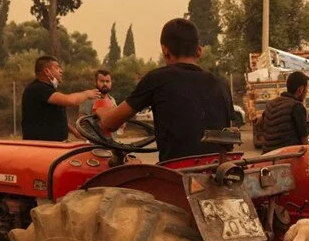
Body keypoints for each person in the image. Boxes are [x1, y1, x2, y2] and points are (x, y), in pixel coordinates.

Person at [99, 18, 233, 162]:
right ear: (199, 51)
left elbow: (109, 124)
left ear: (165, 50)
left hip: (176, 176)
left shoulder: (157, 79)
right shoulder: (222, 84)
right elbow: (228, 135)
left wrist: (101, 111)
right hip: (219, 172)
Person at [21, 55, 99, 141]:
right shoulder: (38, 88)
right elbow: (70, 101)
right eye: (57, 68)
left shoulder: (47, 89)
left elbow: (56, 117)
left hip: (54, 145)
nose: (61, 71)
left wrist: (75, 132)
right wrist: (86, 94)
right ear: (47, 71)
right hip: (42, 146)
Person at [261, 71, 309, 151]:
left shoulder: (270, 104)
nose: (307, 92)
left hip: (267, 154)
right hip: (287, 156)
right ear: (300, 90)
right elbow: (304, 140)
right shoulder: (297, 107)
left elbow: (259, 124)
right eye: (306, 89)